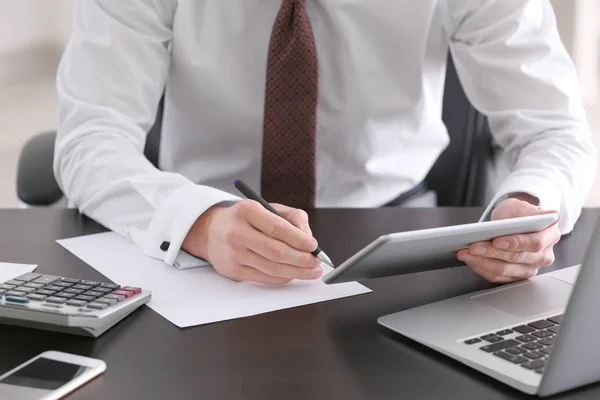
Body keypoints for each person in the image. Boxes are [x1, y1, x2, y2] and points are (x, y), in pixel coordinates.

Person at [54, 0, 595, 285]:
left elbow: (553, 130)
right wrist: (198, 221)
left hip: (399, 240)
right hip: (200, 249)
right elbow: (90, 136)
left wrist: (528, 210)